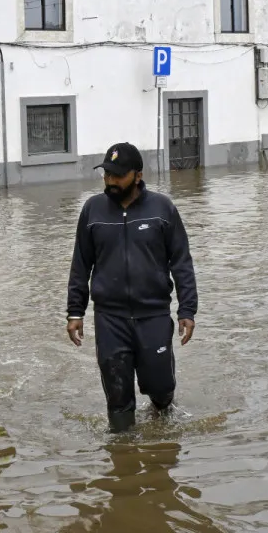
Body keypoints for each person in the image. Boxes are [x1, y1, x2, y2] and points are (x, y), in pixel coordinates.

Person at [65, 142, 198, 433]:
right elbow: (80, 264)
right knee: (118, 400)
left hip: (153, 315)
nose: (110, 181)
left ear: (137, 175)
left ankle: (161, 440)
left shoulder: (162, 209)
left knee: (161, 391)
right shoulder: (92, 210)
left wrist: (187, 309)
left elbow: (182, 263)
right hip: (110, 319)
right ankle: (122, 458)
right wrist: (75, 311)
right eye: (107, 175)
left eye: (118, 175)